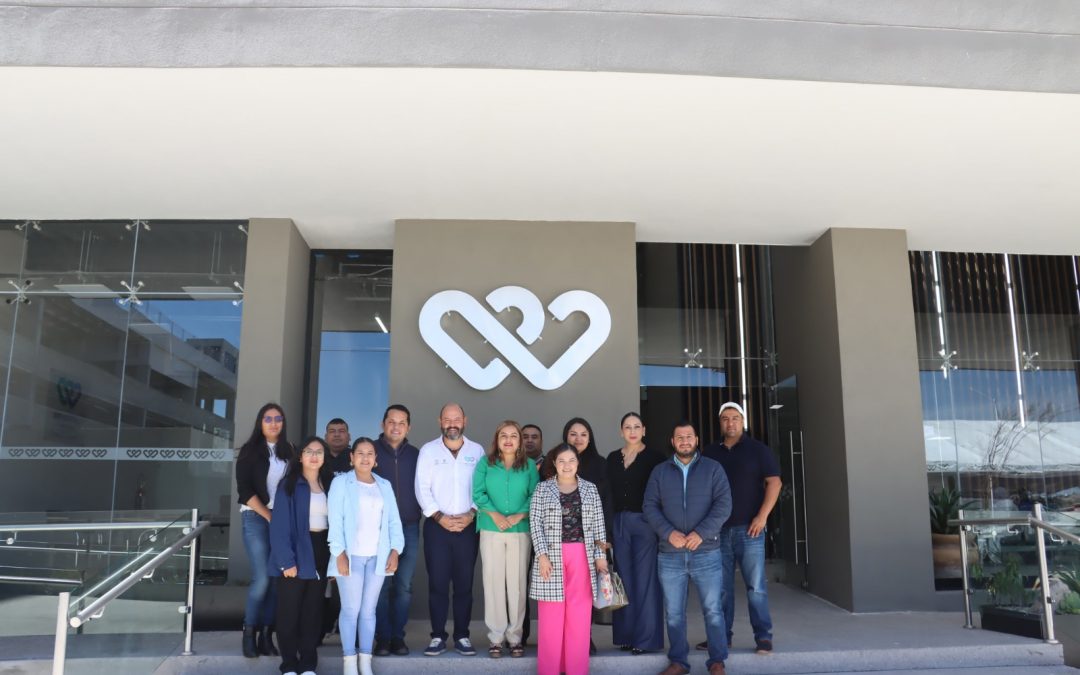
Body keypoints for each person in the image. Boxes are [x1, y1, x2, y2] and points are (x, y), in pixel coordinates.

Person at [643, 421, 732, 675]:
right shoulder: (660, 472)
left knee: (713, 610)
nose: (684, 441)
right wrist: (668, 532)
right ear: (672, 441)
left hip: (706, 552)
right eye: (679, 437)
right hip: (670, 554)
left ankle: (716, 661)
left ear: (697, 440)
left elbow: (724, 505)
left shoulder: (713, 469)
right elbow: (649, 506)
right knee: (673, 613)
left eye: (689, 436)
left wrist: (700, 534)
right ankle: (678, 662)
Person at [702, 402, 781, 655]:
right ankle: (722, 637)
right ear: (720, 422)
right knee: (721, 589)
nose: (730, 423)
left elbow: (775, 482)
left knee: (756, 587)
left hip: (751, 530)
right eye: (725, 418)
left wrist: (762, 516)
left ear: (743, 421)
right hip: (717, 532)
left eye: (735, 418)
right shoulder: (709, 453)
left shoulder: (758, 450)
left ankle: (763, 637)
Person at [328, 437, 405, 675]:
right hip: (350, 557)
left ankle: (365, 661)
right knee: (351, 610)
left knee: (369, 611)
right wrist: (339, 553)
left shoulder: (384, 485)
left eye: (370, 453)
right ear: (351, 458)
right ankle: (349, 663)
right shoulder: (341, 483)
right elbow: (335, 520)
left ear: (375, 459)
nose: (365, 457)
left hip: (376, 557)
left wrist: (395, 550)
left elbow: (394, 521)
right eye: (360, 453)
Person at [530, 443, 609, 675]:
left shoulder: (589, 489)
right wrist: (542, 555)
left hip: (581, 555)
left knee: (579, 617)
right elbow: (535, 524)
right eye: (561, 461)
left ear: (578, 463)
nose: (567, 465)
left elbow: (598, 526)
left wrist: (600, 556)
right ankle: (549, 670)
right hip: (551, 557)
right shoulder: (543, 489)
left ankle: (576, 670)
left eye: (571, 461)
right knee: (551, 620)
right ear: (554, 463)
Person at [414, 403, 484, 657]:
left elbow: (482, 486)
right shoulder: (429, 451)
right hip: (437, 527)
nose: (452, 423)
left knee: (465, 584)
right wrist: (439, 516)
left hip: (468, 526)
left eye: (456, 418)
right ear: (439, 421)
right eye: (447, 418)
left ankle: (463, 635)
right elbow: (422, 487)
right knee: (438, 584)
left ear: (464, 420)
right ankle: (437, 636)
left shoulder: (477, 451)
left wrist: (472, 513)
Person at [473, 420, 539, 658]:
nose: (509, 440)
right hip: (491, 529)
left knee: (517, 586)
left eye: (514, 435)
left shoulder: (530, 466)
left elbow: (536, 495)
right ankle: (496, 638)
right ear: (497, 440)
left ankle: (515, 637)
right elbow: (477, 493)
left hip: (520, 531)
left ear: (520, 441)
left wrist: (519, 515)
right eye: (504, 436)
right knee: (493, 584)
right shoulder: (485, 464)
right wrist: (495, 514)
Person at [235, 402, 294, 658]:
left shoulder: (290, 451)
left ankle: (267, 636)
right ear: (260, 422)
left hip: (281, 522)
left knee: (275, 581)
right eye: (268, 418)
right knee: (261, 578)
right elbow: (245, 491)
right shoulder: (250, 451)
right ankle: (249, 633)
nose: (273, 423)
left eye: (278, 418)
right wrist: (268, 515)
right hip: (256, 518)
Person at [269, 436, 332, 675]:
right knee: (288, 611)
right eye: (309, 451)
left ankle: (307, 664)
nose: (314, 456)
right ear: (301, 456)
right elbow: (279, 526)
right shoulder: (289, 484)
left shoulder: (329, 483)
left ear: (324, 457)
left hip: (321, 547)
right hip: (296, 548)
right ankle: (288, 665)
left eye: (319, 452)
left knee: (312, 611)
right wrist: (286, 560)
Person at [605, 412, 665, 654]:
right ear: (621, 431)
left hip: (645, 522)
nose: (632, 431)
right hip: (618, 522)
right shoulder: (611, 458)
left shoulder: (655, 457)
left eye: (636, 426)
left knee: (645, 581)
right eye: (627, 427)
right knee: (623, 581)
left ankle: (646, 640)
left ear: (644, 430)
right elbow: (607, 495)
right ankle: (627, 636)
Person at [372, 404, 421, 656]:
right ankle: (382, 638)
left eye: (402, 423)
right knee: (381, 586)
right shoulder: (370, 452)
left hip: (410, 527)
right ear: (383, 424)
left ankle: (397, 638)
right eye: (391, 421)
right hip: (378, 530)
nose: (396, 426)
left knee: (403, 585)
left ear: (408, 427)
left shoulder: (417, 454)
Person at [519, 423, 543, 646]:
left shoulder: (553, 464)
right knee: (518, 585)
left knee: (548, 586)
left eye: (534, 437)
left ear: (541, 441)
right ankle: (520, 634)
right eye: (525, 436)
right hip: (521, 532)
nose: (529, 441)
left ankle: (549, 635)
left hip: (547, 536)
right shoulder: (513, 466)